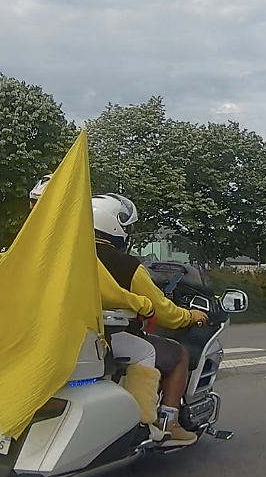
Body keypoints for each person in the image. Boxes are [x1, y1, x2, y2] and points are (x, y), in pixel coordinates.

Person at [26, 176, 169, 441]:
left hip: (36, 333)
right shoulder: (72, 250)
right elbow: (109, 293)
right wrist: (146, 306)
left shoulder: (28, 244)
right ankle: (140, 422)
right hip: (72, 336)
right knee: (145, 351)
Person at [91, 192, 210, 447]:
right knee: (178, 354)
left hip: (74, 336)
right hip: (108, 338)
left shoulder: (69, 254)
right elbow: (163, 310)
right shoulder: (126, 265)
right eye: (127, 227)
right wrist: (190, 316)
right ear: (115, 226)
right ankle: (167, 423)